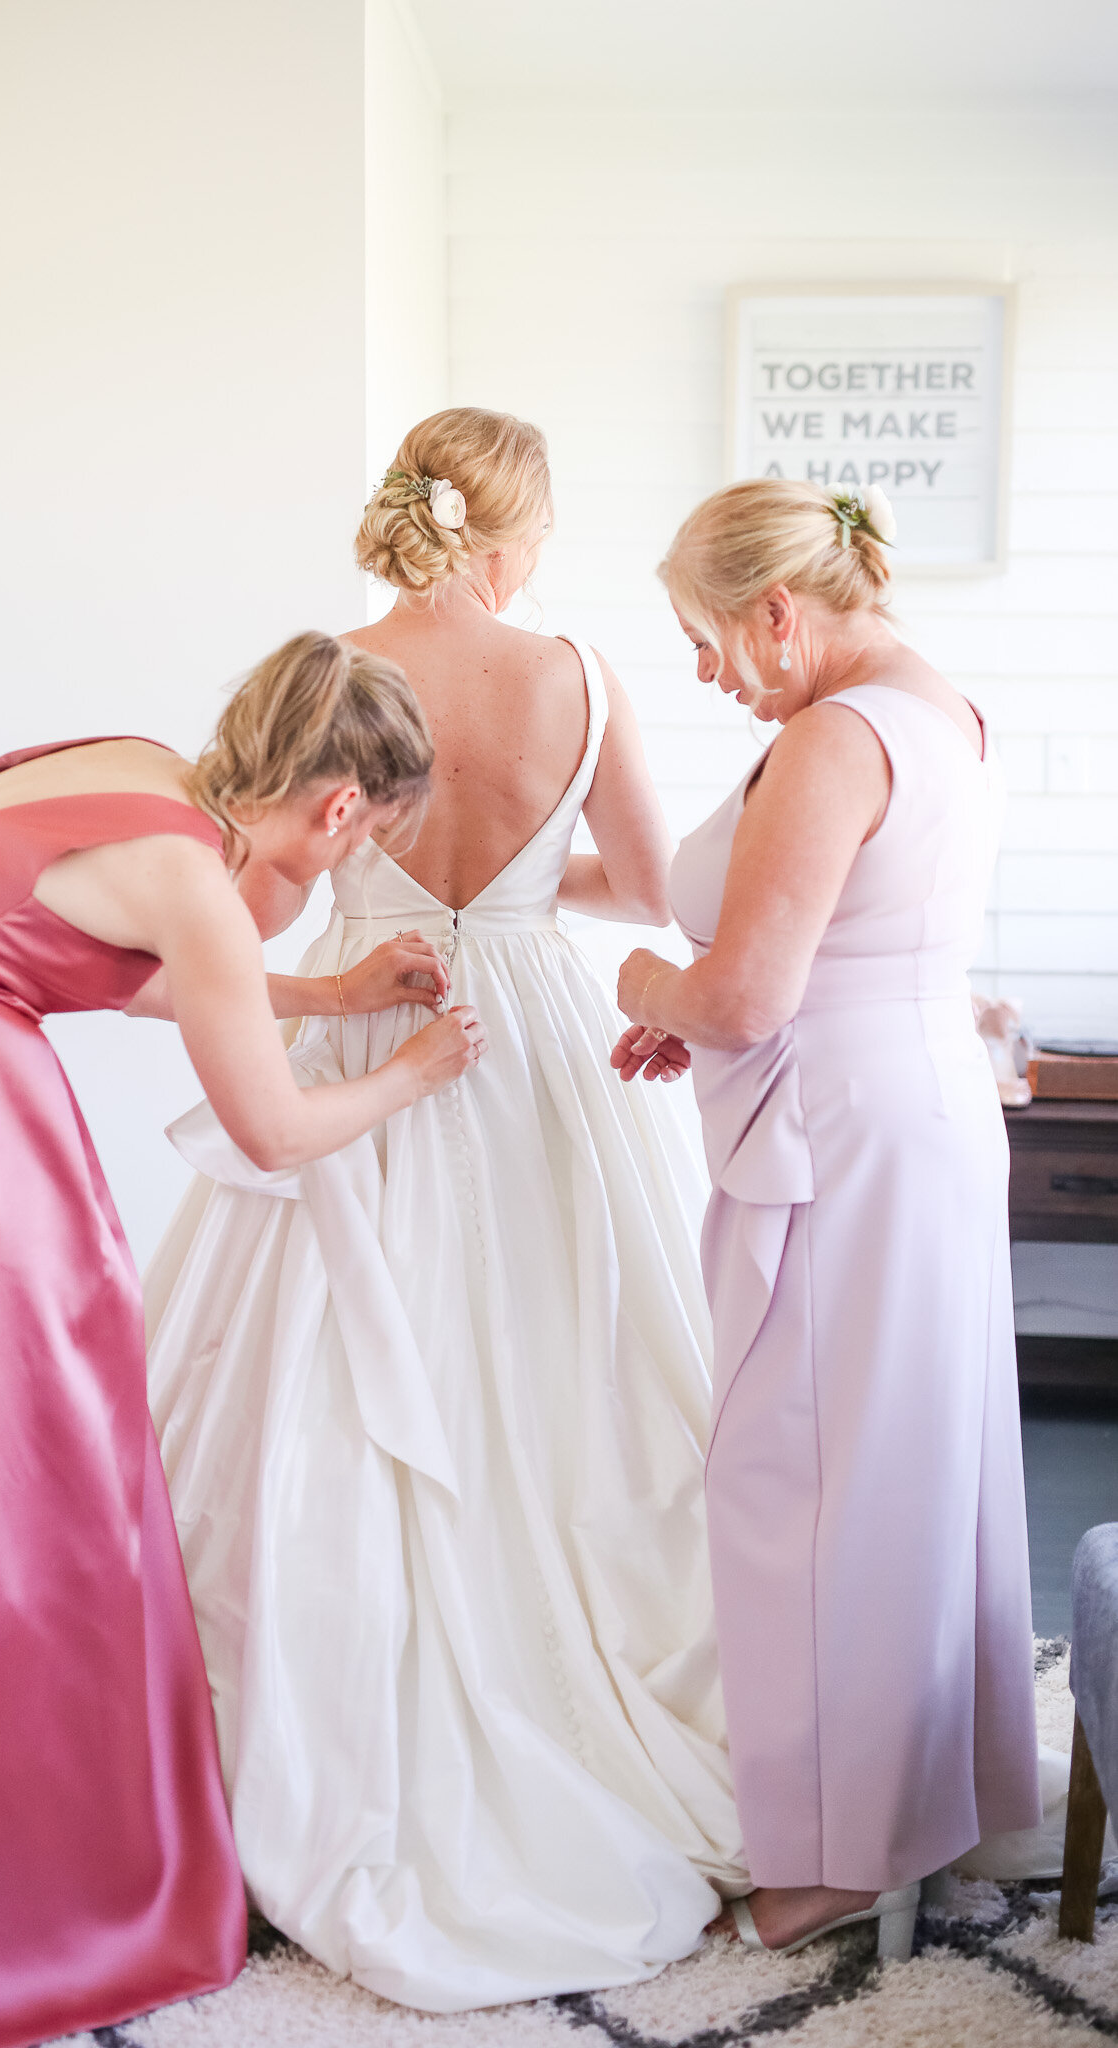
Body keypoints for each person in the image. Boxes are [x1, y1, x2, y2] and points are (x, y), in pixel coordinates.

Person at [0, 631, 482, 2048]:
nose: (333, 870)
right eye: (354, 846)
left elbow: (101, 966)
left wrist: (328, 996)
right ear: (337, 810)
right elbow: (270, 1129)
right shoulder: (205, 886)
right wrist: (411, 1071)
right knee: (10, 1467)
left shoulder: (146, 775)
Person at [144, 408, 748, 2014]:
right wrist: (529, 877)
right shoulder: (578, 672)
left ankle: (286, 1730)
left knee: (314, 1377)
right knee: (579, 1358)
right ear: (513, 531)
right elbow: (645, 877)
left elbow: (258, 894)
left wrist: (383, 904)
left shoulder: (334, 671)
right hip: (536, 1038)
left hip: (365, 1012)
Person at [614, 479, 1041, 1959]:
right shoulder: (942, 710)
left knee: (804, 1478)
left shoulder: (827, 737)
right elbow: (841, 948)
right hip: (913, 1105)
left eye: (702, 637)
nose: (702, 671)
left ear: (775, 613)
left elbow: (742, 991)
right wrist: (725, 1000)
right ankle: (948, 1792)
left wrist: (643, 991)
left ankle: (839, 1848)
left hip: (838, 1136)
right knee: (918, 1461)